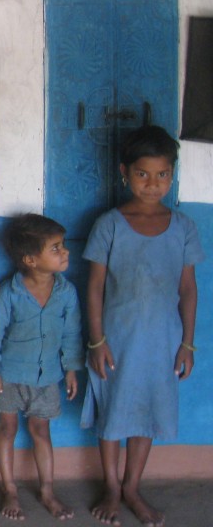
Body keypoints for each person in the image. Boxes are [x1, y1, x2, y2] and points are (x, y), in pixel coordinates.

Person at [82, 125, 202, 527]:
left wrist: (187, 344)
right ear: (124, 172)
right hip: (116, 338)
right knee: (114, 408)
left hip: (162, 340)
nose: (152, 184)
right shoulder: (109, 224)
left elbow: (188, 288)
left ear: (173, 175)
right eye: (142, 174)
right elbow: (94, 286)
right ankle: (111, 487)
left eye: (162, 175)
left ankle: (133, 487)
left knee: (147, 410)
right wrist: (97, 341)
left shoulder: (183, 226)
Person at [0, 214, 82, 521]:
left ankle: (47, 491)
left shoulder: (66, 293)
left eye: (62, 246)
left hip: (48, 376)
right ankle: (9, 488)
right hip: (10, 375)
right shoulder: (10, 292)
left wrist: (71, 368)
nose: (65, 252)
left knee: (42, 430)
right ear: (30, 259)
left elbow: (72, 333)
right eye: (55, 248)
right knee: (6, 428)